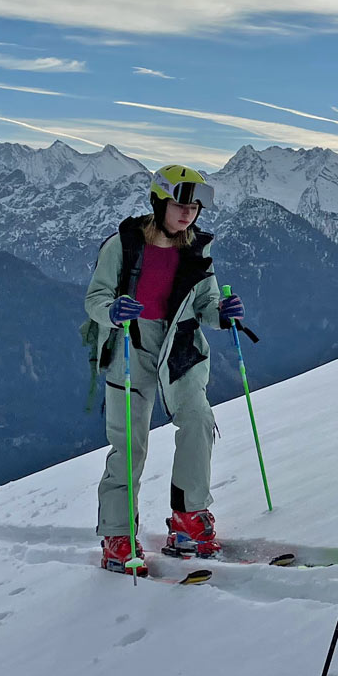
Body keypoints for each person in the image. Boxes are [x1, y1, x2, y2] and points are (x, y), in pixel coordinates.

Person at [85, 164, 246, 573]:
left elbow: (206, 303)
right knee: (131, 443)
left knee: (197, 419)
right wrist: (111, 311)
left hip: (181, 345)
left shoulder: (197, 249)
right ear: (159, 201)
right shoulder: (123, 245)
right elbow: (95, 298)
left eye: (194, 206)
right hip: (131, 343)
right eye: (180, 204)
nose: (188, 213)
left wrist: (222, 314)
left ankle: (188, 518)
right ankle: (118, 535)